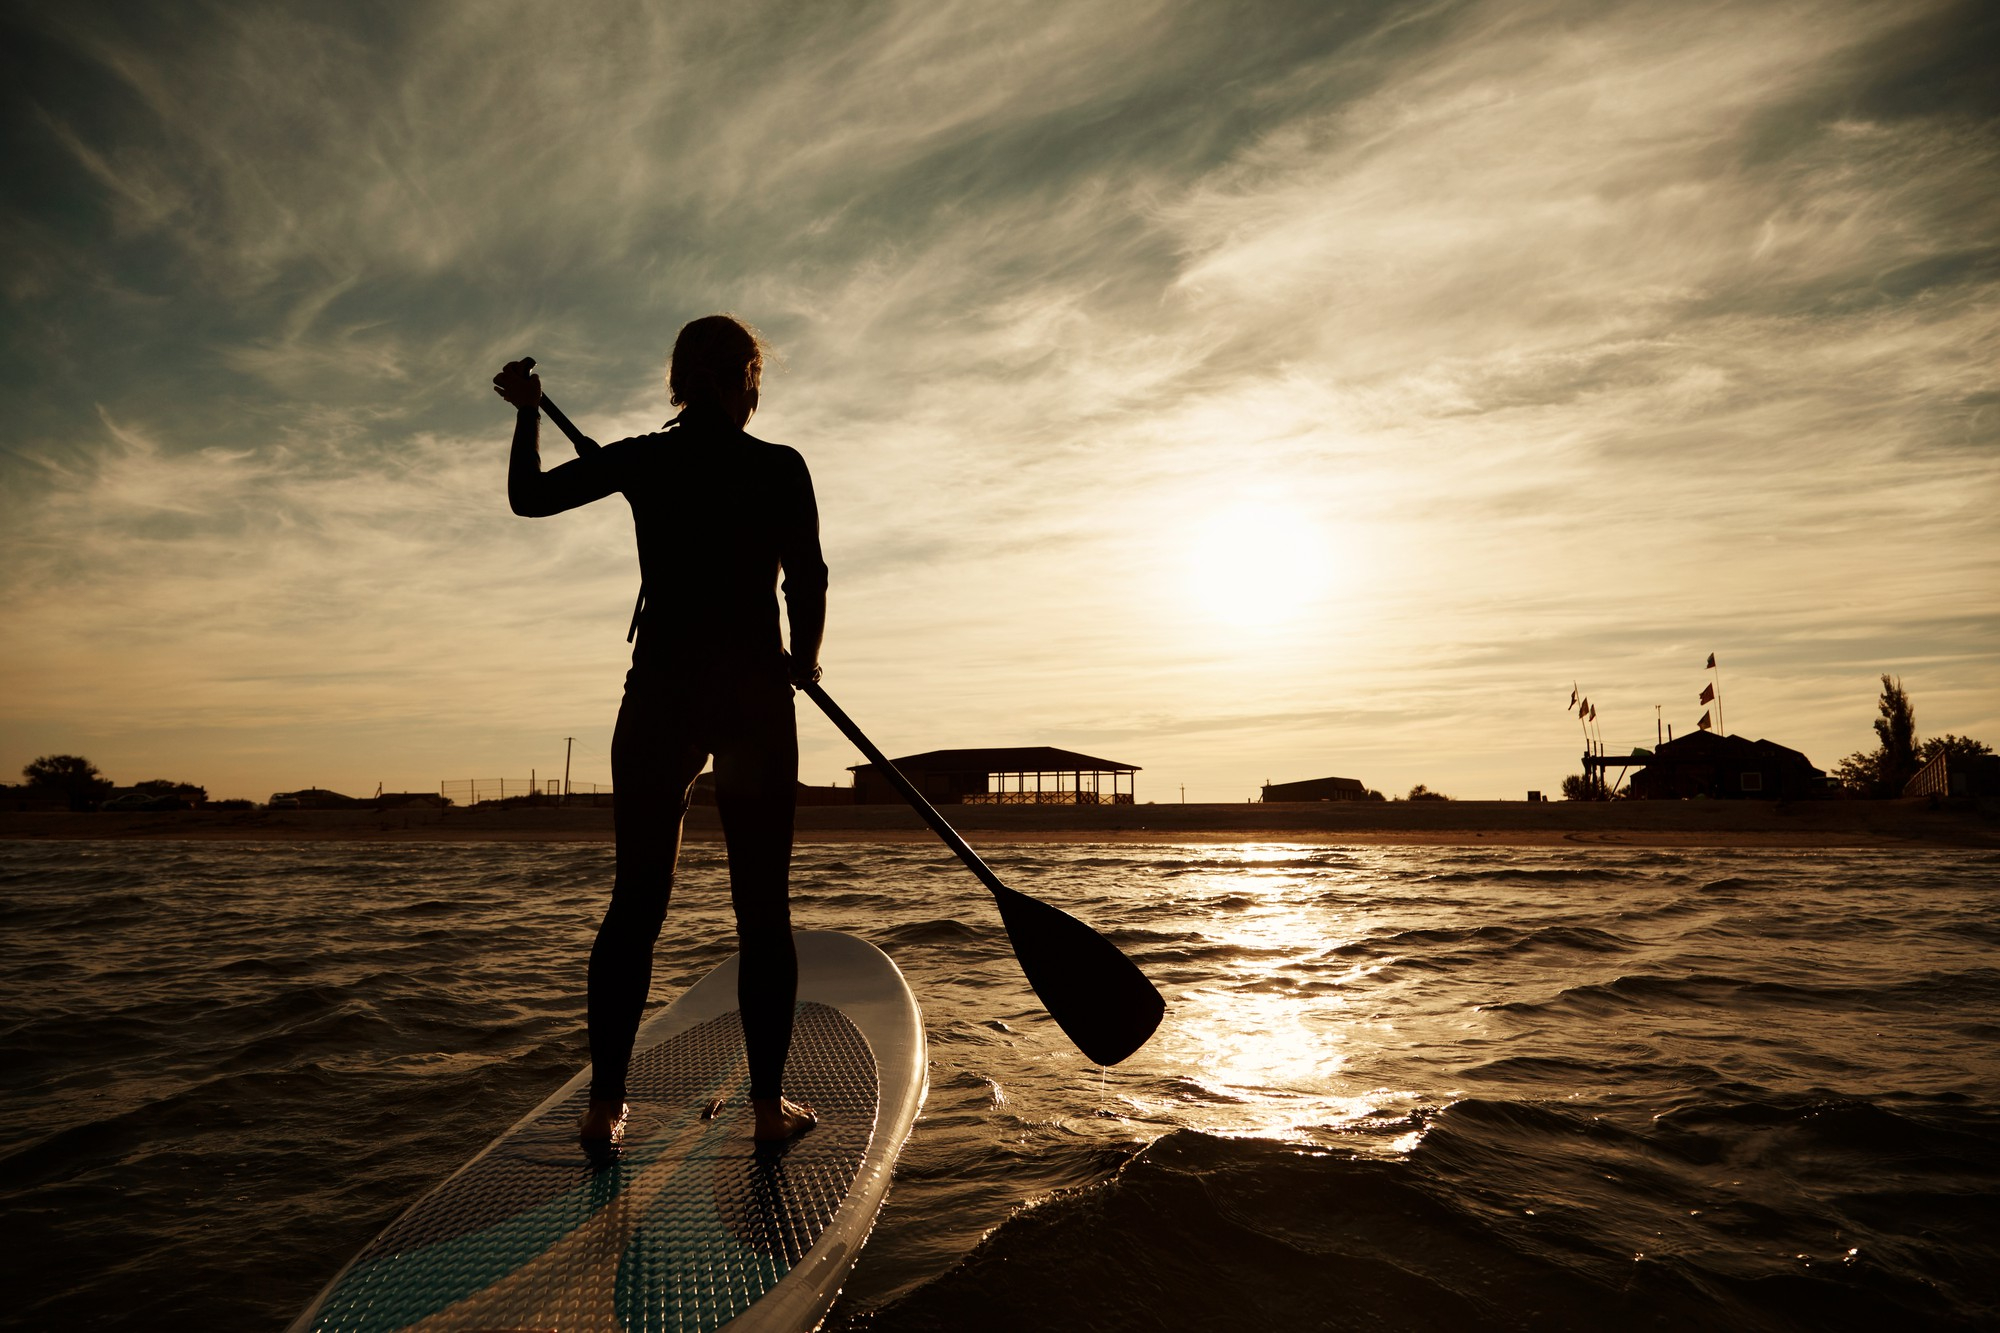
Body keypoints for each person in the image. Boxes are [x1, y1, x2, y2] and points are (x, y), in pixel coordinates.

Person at [491, 315, 827, 1151]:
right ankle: (765, 1111)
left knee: (633, 909)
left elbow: (529, 497)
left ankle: (605, 1110)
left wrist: (529, 413)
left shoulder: (647, 458)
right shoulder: (778, 467)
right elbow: (807, 575)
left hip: (663, 698)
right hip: (752, 695)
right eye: (758, 376)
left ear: (680, 381)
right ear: (746, 375)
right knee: (763, 915)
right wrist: (805, 660)